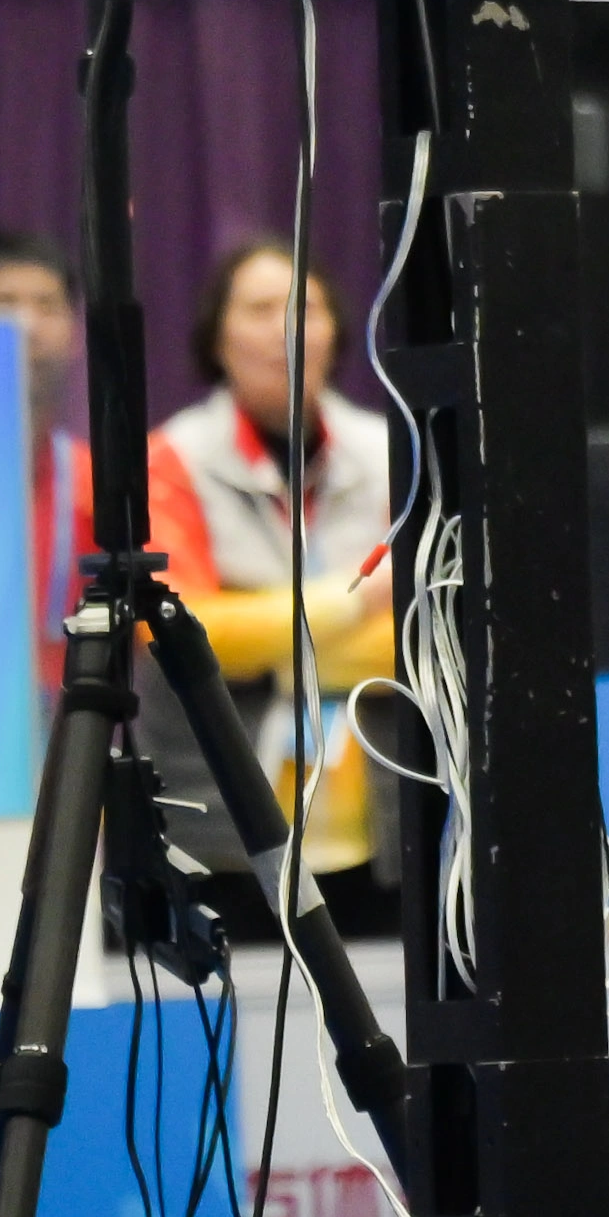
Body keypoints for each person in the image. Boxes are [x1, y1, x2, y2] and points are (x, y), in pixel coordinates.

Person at [149, 235, 399, 895]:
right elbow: (183, 634)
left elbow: (421, 635)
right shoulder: (173, 457)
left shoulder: (388, 452)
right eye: (260, 309)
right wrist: (353, 607)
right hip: (224, 840)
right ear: (216, 336)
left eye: (306, 308)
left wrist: (265, 637)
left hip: (381, 835)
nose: (285, 329)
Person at [0, 228, 86, 659]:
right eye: (2, 304)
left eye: (47, 306)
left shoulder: (97, 482)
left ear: (75, 334)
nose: (26, 324)